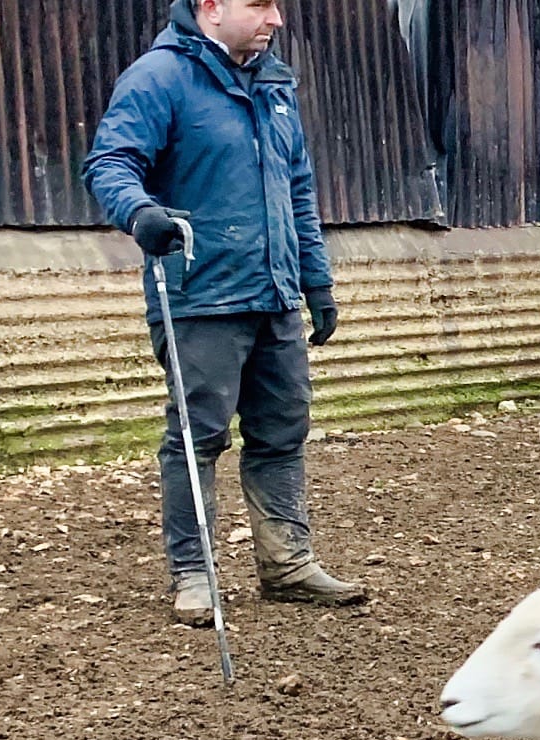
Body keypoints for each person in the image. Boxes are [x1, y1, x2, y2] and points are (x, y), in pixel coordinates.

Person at [83, 0, 364, 625]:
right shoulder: (159, 77)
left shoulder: (275, 85)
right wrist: (139, 212)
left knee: (281, 433)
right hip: (199, 294)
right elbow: (110, 162)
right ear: (210, 7)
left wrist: (315, 282)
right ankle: (195, 573)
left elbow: (297, 193)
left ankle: (287, 564)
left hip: (274, 294)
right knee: (195, 436)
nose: (277, 19)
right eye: (259, 4)